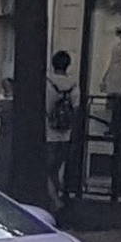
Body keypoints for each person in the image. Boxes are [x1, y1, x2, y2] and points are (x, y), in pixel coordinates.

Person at [47, 49, 82, 204]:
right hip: (66, 132)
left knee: (47, 167)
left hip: (49, 130)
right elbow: (76, 109)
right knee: (57, 166)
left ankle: (54, 199)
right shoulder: (73, 85)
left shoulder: (47, 83)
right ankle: (57, 195)